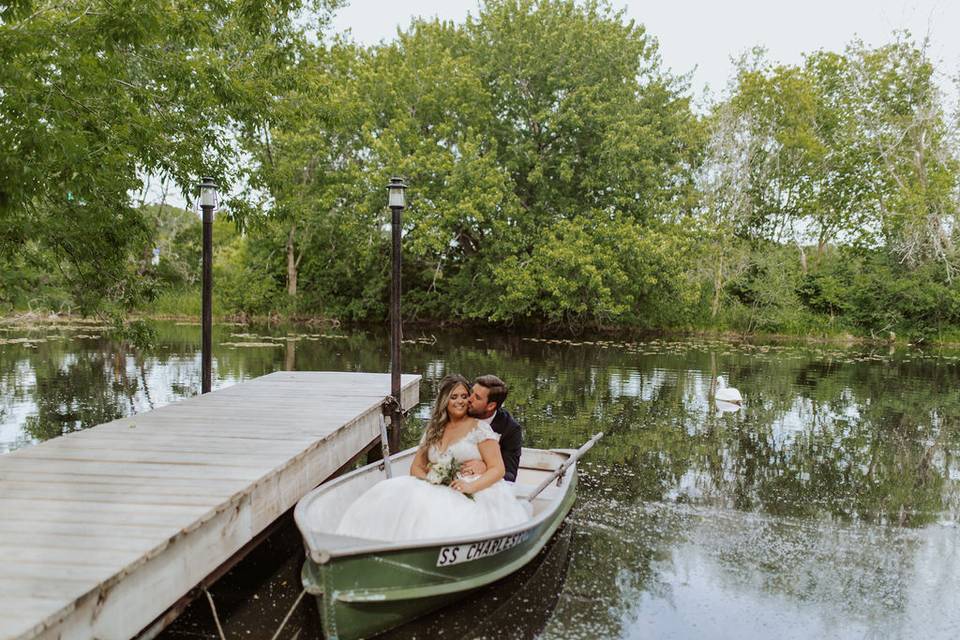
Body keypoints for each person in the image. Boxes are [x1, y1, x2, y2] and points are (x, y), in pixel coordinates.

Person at [335, 374, 530, 542]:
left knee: (445, 515)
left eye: (467, 396)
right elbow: (416, 467)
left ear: (491, 405)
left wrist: (478, 475)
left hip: (469, 488)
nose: (465, 400)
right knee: (392, 493)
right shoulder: (434, 429)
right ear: (445, 400)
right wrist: (434, 478)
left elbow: (501, 470)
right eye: (455, 397)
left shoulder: (484, 428)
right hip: (435, 484)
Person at [461, 374, 523, 482]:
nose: (469, 399)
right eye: (471, 393)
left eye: (477, 397)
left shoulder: (510, 429)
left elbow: (510, 475)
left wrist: (486, 468)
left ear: (491, 406)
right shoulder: (459, 412)